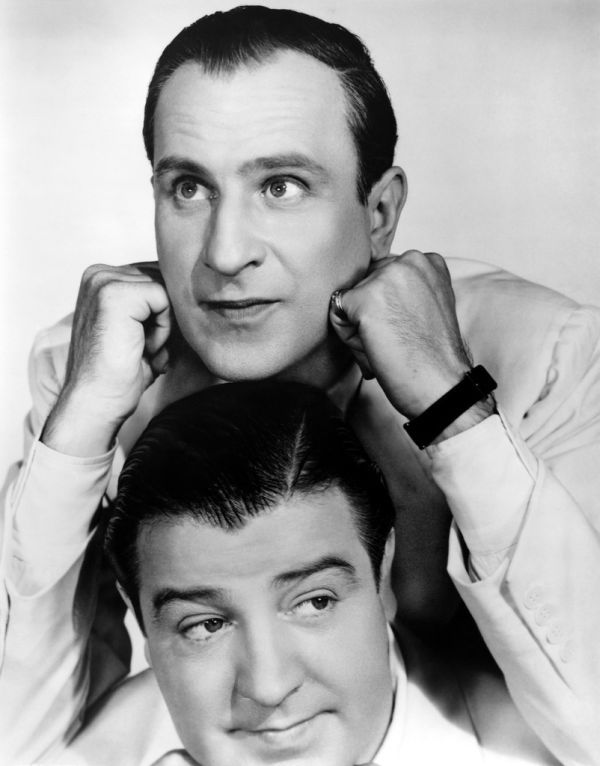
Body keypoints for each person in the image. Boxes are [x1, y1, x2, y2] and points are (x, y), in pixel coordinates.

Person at [0, 5, 598, 765]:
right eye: (188, 188)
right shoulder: (100, 370)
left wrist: (453, 406)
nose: (225, 254)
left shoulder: (546, 355)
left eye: (280, 186)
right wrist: (77, 431)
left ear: (379, 212)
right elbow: (25, 744)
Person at [24, 381, 563, 764]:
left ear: (383, 575)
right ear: (142, 619)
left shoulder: (536, 753)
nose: (269, 686)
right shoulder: (80, 755)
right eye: (205, 625)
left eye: (314, 602)